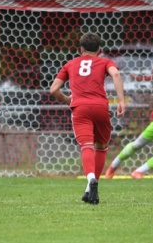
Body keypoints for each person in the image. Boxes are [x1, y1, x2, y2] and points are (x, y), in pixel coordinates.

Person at [50, 32, 126, 205]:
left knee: (86, 146)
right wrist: (121, 100)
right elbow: (115, 75)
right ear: (99, 50)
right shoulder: (105, 61)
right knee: (101, 147)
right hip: (100, 107)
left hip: (80, 108)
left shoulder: (70, 64)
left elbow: (53, 89)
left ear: (80, 48)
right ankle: (90, 188)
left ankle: (90, 178)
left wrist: (68, 100)